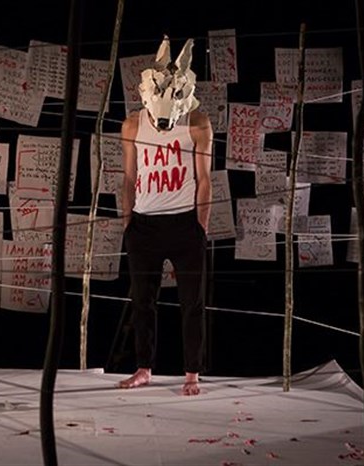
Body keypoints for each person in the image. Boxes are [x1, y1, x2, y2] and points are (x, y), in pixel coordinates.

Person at [117, 36, 212, 396]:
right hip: (144, 225)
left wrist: (199, 227)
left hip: (184, 223)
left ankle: (192, 373)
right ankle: (144, 368)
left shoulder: (197, 123)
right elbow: (129, 177)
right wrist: (129, 224)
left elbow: (204, 179)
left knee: (192, 303)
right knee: (142, 302)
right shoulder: (131, 125)